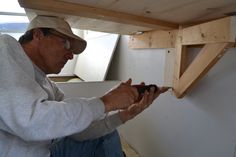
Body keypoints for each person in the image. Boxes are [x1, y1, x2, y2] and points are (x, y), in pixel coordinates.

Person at [0, 15, 169, 157]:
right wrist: (106, 102)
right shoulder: (5, 48)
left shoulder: (47, 84)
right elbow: (32, 122)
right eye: (65, 43)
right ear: (37, 35)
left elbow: (78, 132)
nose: (70, 56)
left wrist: (125, 114)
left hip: (47, 151)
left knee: (107, 134)